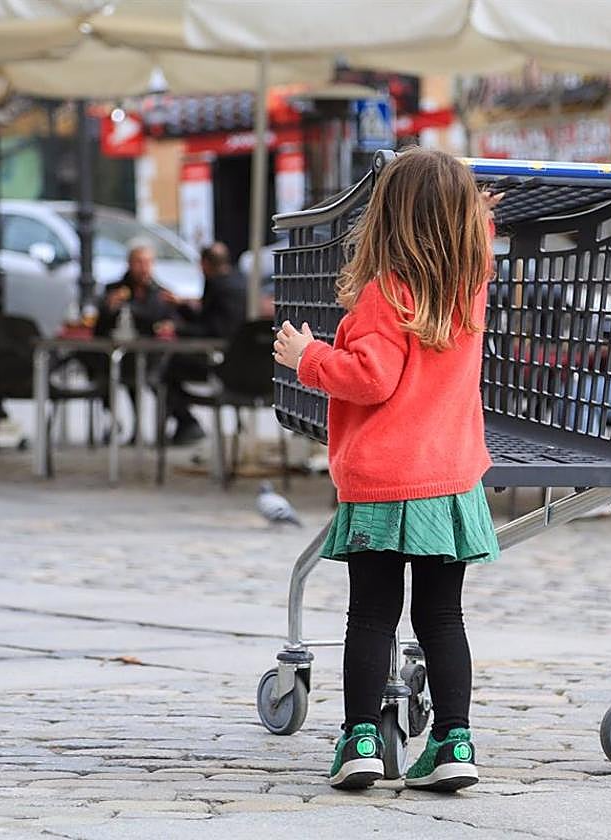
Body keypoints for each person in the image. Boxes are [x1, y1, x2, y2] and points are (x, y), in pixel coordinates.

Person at [273, 149, 499, 793]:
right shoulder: (471, 284)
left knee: (371, 615)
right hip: (450, 481)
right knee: (442, 617)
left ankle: (361, 739)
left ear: (387, 218)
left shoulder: (385, 292)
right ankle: (455, 740)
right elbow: (477, 245)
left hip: (383, 484)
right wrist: (477, 218)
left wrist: (307, 356)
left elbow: (370, 379)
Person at [158, 242, 249, 445]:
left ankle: (187, 423)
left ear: (205, 264)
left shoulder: (216, 285)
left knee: (165, 370)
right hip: (238, 360)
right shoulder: (238, 280)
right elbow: (209, 319)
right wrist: (182, 306)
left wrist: (176, 329)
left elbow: (212, 330)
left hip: (218, 360)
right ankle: (187, 424)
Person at [90, 243, 178, 444]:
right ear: (129, 264)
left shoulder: (160, 292)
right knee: (100, 367)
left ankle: (167, 423)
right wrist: (108, 307)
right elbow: (99, 326)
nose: (143, 267)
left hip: (149, 355)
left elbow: (167, 320)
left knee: (161, 375)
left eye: (147, 262)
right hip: (117, 354)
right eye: (139, 262)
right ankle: (112, 420)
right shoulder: (114, 290)